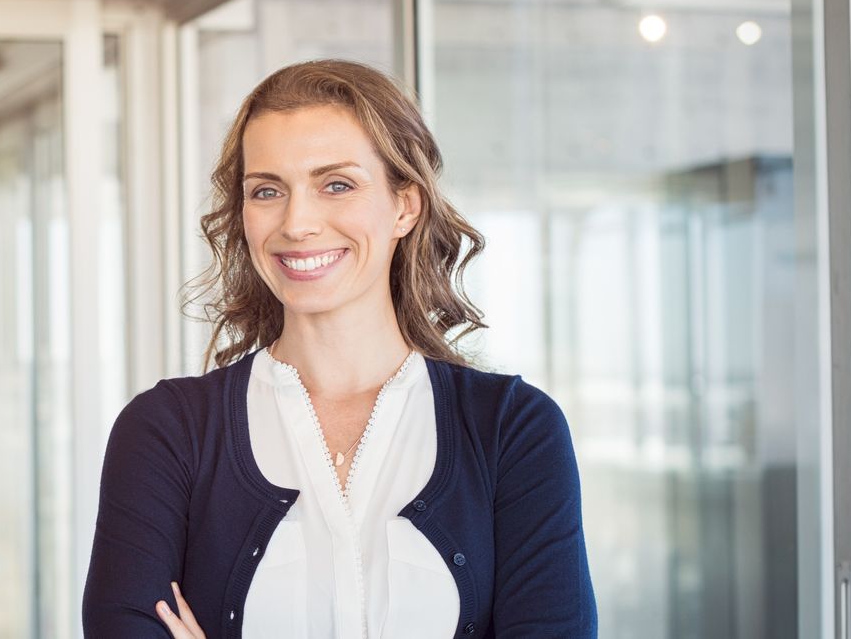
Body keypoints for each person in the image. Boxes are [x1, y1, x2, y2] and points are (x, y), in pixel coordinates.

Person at [81, 60, 596, 638]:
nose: (298, 223)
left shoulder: (512, 432)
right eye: (268, 190)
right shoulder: (166, 432)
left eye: (337, 184)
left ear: (406, 205)